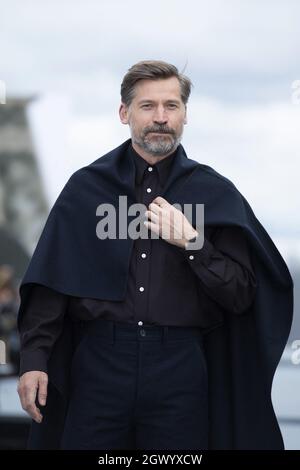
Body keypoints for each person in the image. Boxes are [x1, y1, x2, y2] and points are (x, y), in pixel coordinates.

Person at [17, 60, 293, 450]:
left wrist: (193, 242)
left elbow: (242, 294)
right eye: (148, 106)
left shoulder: (215, 193)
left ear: (185, 115)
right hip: (98, 363)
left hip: (180, 367)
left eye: (171, 106)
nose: (161, 118)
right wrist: (33, 360)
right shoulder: (86, 189)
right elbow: (51, 285)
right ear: (124, 113)